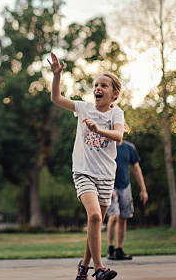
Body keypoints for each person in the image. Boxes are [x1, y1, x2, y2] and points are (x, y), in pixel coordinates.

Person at [48, 52, 123, 280]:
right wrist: (57, 75)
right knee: (94, 217)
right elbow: (56, 99)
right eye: (96, 85)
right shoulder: (83, 108)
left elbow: (119, 136)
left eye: (104, 85)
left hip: (106, 175)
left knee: (95, 223)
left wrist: (98, 130)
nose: (98, 89)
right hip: (83, 172)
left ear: (114, 93)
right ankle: (99, 269)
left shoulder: (116, 113)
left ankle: (83, 268)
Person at [106, 140, 148, 260]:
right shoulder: (108, 146)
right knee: (114, 216)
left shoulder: (129, 147)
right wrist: (108, 187)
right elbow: (102, 167)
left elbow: (136, 169)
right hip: (111, 186)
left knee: (123, 218)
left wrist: (143, 190)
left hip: (125, 187)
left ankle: (119, 250)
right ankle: (110, 249)